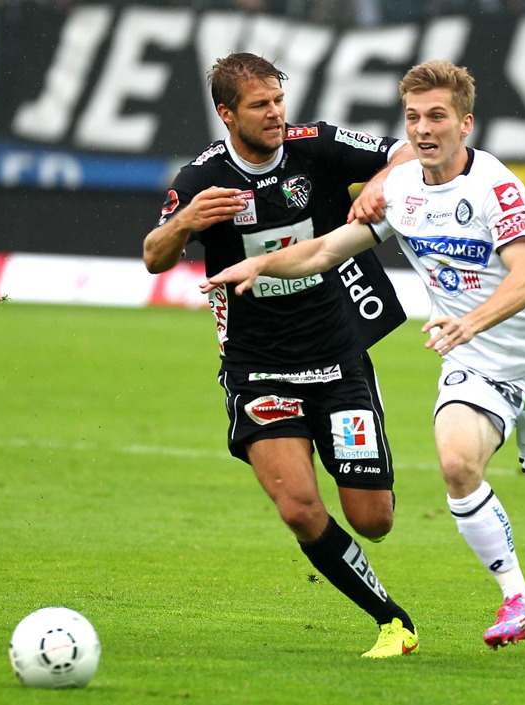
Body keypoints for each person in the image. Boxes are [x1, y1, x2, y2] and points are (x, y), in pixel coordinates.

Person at [203, 60, 525, 648]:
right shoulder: (401, 190)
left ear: (466, 124)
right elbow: (326, 251)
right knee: (456, 464)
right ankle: (518, 600)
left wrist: (468, 322)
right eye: (413, 118)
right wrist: (260, 262)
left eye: (437, 117)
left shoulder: (494, 186)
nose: (423, 129)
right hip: (473, 364)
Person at [143, 53, 420, 658]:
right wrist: (185, 222)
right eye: (258, 106)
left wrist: (373, 186)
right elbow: (154, 256)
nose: (274, 115)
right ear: (225, 114)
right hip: (258, 365)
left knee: (374, 519)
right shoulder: (201, 180)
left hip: (338, 358)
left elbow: (405, 153)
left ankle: (368, 466)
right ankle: (392, 622)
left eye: (277, 101)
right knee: (297, 506)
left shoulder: (316, 145)